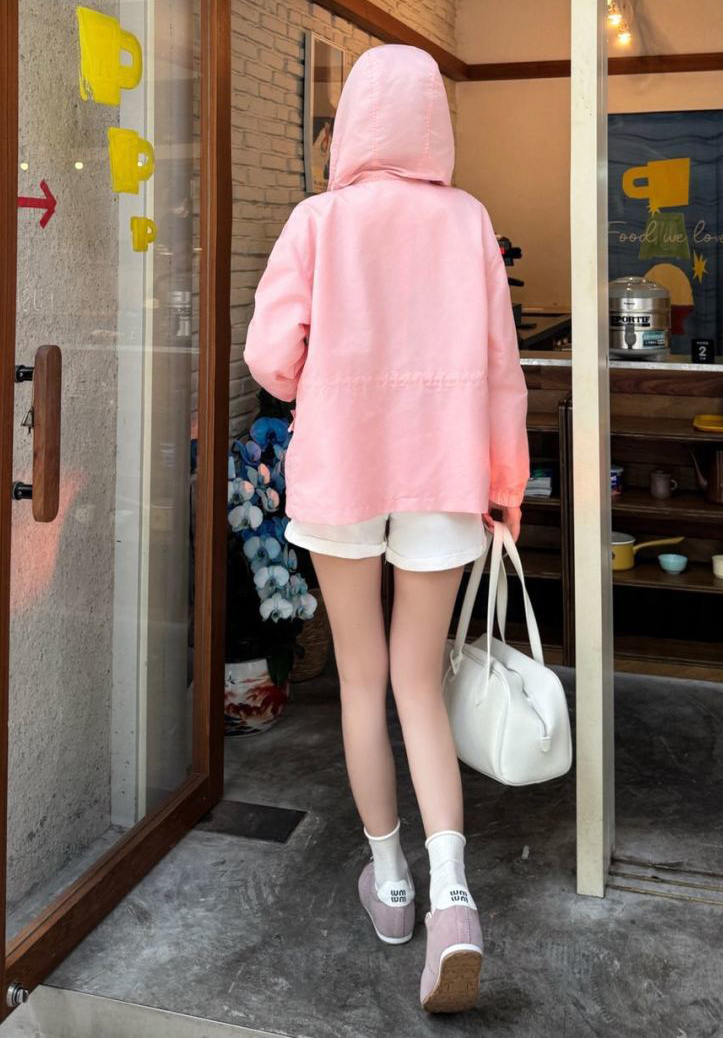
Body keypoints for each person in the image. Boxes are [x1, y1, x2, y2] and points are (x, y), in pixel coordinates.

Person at [244, 43, 528, 1014]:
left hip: (342, 470)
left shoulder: (318, 222)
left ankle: (392, 883)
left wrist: (324, 377)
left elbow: (270, 357)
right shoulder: (468, 222)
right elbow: (501, 370)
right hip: (443, 475)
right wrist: (504, 485)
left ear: (353, 124)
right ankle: (454, 898)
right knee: (420, 683)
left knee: (360, 680)